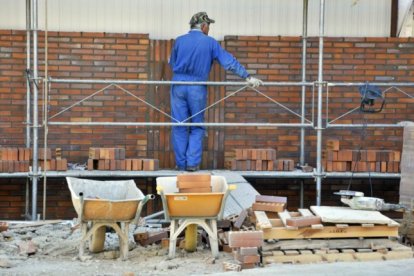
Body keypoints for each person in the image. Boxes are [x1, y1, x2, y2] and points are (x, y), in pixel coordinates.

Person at [169, 11, 263, 171]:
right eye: (209, 26)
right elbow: (228, 61)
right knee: (197, 125)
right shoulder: (210, 43)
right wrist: (247, 76)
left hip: (178, 84)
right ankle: (191, 165)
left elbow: (172, 62)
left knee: (179, 125)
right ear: (203, 26)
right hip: (197, 87)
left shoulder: (179, 41)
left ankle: (181, 164)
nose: (209, 29)